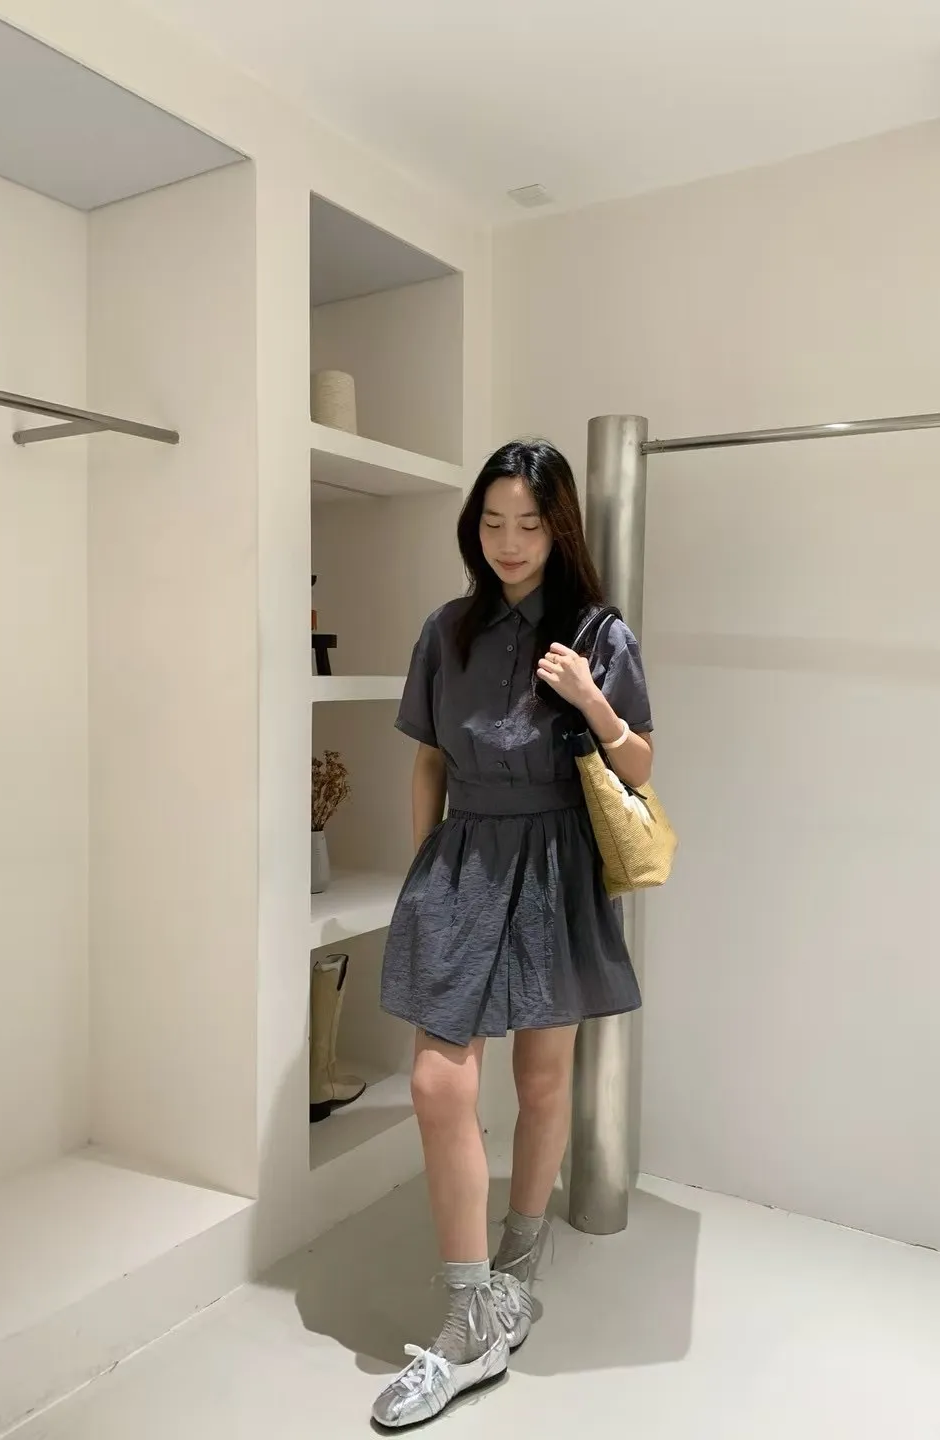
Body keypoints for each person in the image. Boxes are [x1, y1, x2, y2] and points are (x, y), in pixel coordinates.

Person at [372, 440, 654, 1428]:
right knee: (437, 1082)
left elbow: (642, 764)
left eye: (529, 524)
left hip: (556, 864)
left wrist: (589, 696)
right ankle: (468, 1319)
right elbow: (426, 760)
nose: (509, 542)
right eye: (492, 522)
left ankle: (517, 1268)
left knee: (541, 1080)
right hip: (463, 860)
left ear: (558, 527)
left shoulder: (600, 633)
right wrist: (423, 872)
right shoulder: (445, 630)